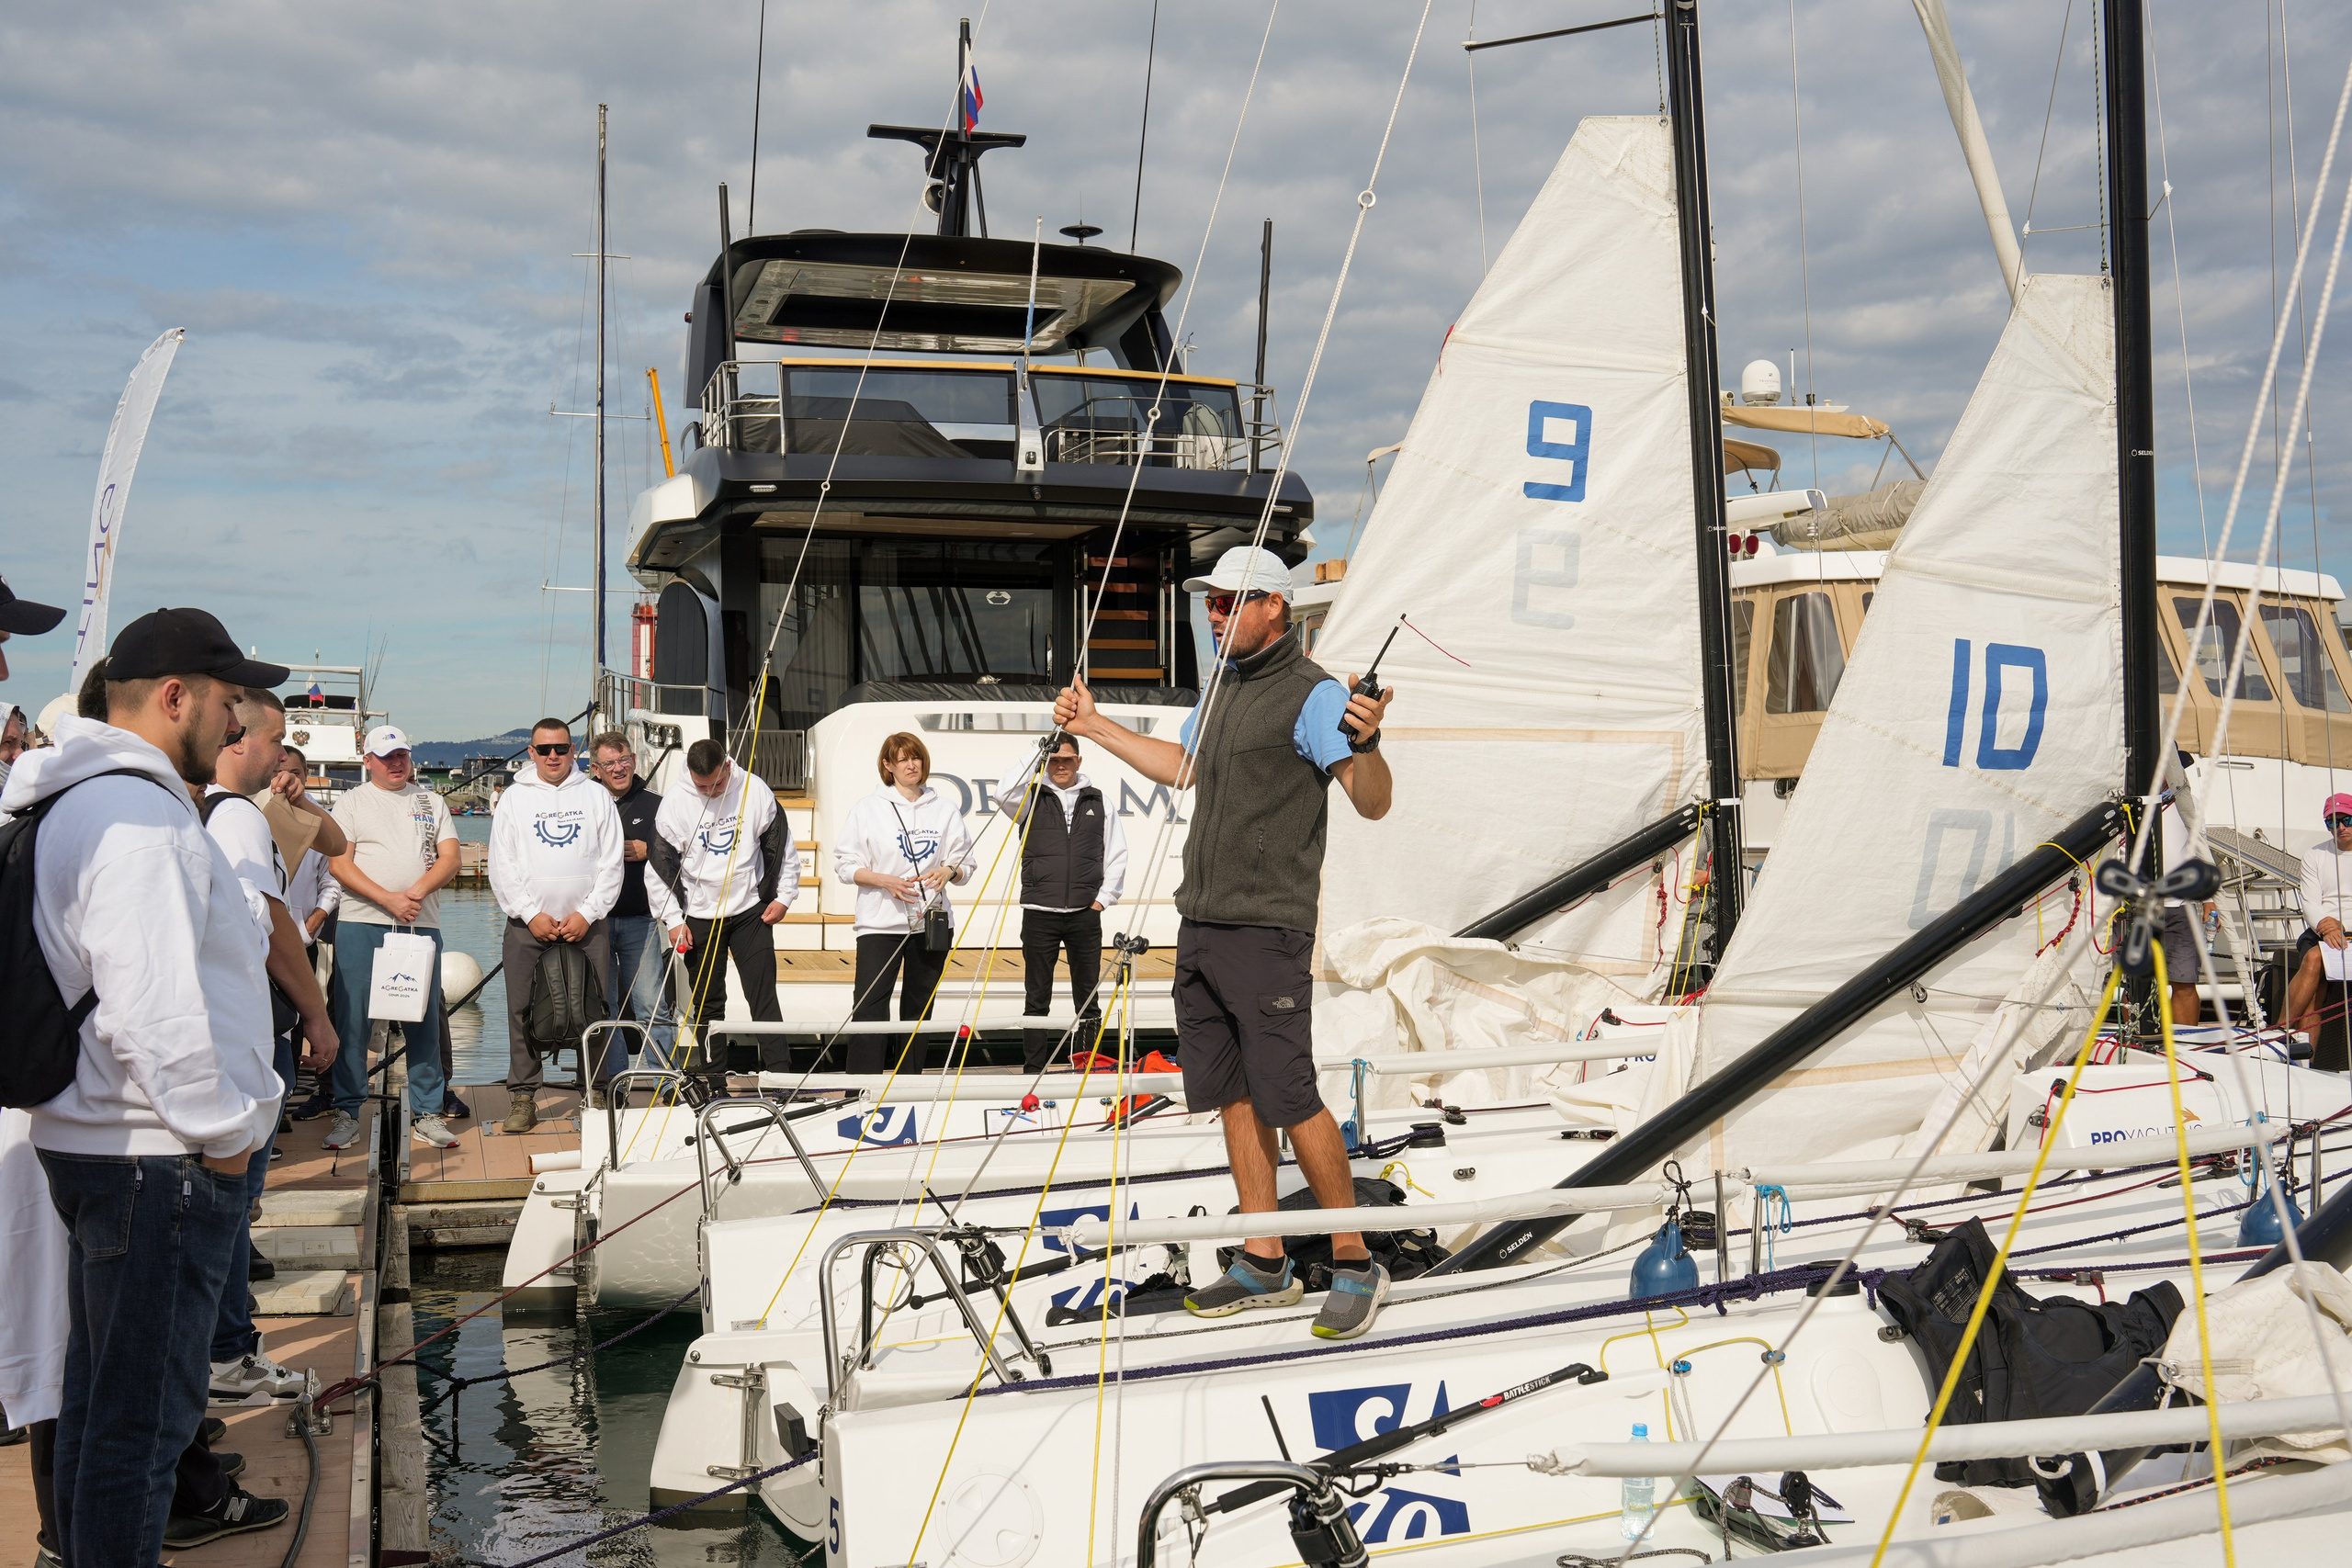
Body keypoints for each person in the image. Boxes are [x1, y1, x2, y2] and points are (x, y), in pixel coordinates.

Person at [5, 607, 294, 1561]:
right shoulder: (139, 819)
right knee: (142, 1430)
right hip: (154, 1158)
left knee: (99, 1410)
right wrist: (226, 1137)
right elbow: (155, 1010)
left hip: (105, 1143)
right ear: (175, 696)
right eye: (228, 700)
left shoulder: (82, 799)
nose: (237, 722)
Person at [1053, 545, 1395, 1341]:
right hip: (1202, 924)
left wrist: (1370, 743)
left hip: (1268, 926)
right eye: (1209, 601)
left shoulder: (1314, 695)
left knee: (1291, 1093)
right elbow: (1186, 767)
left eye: (1230, 600)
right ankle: (1264, 1257)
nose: (1213, 613)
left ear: (1276, 606)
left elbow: (1372, 801)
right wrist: (1094, 724)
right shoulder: (1221, 685)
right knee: (1233, 1092)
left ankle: (1355, 1259)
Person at [198, 687, 342, 1398]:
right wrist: (317, 1013)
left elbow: (332, 845)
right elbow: (274, 920)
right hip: (242, 1031)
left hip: (240, 1027)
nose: (284, 753)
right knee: (230, 1197)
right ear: (240, 737)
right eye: (277, 739)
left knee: (232, 1198)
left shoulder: (220, 811)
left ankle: (224, 1343)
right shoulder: (236, 818)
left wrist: (297, 801)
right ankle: (228, 1350)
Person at [322, 725, 459, 1151]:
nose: (397, 763)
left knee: (423, 1020)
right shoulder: (351, 802)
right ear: (368, 762)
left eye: (402, 754)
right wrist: (388, 899)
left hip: (420, 924)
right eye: (386, 757)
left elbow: (451, 858)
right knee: (352, 1020)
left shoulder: (432, 801)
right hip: (361, 923)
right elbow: (339, 865)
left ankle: (428, 1112)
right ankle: (347, 1111)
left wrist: (414, 894)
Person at [490, 720, 624, 1129]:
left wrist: (588, 913)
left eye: (561, 748)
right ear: (531, 752)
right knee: (521, 1011)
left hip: (588, 926)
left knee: (594, 1010)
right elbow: (502, 864)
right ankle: (523, 1098)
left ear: (573, 751)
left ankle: (594, 1093)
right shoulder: (513, 799)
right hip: (527, 926)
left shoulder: (596, 795)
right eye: (544, 749)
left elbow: (612, 863)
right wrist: (530, 914)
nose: (553, 756)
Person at [646, 739, 797, 1086]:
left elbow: (782, 844)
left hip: (750, 911)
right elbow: (658, 868)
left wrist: (785, 896)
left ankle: (781, 1079)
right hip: (699, 915)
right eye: (702, 787)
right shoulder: (675, 803)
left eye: (716, 784)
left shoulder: (754, 790)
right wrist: (674, 920)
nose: (710, 792)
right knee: (708, 1003)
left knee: (763, 997)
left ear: (727, 766)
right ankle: (715, 1083)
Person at [834, 733, 977, 1074]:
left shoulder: (945, 810)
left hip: (931, 924)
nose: (912, 765)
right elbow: (845, 866)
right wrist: (883, 881)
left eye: (916, 758)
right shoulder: (868, 808)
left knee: (919, 1008)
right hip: (879, 923)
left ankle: (910, 1082)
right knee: (869, 1005)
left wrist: (949, 871)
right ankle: (863, 1085)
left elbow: (966, 864)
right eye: (903, 759)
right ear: (888, 765)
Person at [1000, 733, 1127, 1070]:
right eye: (1054, 760)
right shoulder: (1030, 798)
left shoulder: (1099, 801)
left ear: (1078, 762)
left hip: (1085, 914)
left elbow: (1116, 852)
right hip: (1040, 913)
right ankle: (1033, 1068)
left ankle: (1087, 1066)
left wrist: (1103, 900)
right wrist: (1036, 753)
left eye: (1066, 759)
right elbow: (1002, 792)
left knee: (1088, 997)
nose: (1060, 766)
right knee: (1036, 997)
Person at [590, 730, 672, 1074]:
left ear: (634, 760)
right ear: (596, 769)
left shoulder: (657, 804)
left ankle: (664, 1084)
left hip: (641, 921)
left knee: (653, 1007)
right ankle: (615, 1083)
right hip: (594, 924)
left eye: (623, 759)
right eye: (609, 763)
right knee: (603, 1008)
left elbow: (684, 852)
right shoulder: (586, 803)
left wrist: (649, 850)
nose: (618, 768)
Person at [2289, 794, 2352, 1042]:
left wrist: (2341, 925)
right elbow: (2311, 903)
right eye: (2332, 822)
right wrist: (2328, 929)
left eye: (2347, 820)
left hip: (2342, 929)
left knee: (2315, 959)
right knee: (2315, 975)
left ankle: (2278, 1032)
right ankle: (2284, 1036)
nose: (2341, 827)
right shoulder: (2314, 855)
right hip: (2322, 929)